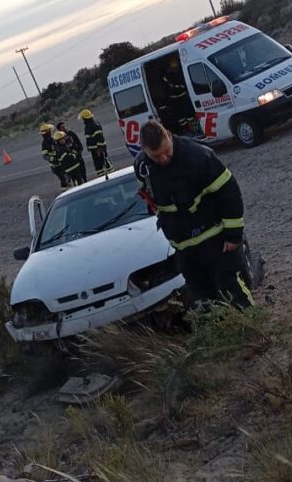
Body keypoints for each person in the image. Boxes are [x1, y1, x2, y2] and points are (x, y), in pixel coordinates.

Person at [134, 119, 253, 310]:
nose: (163, 159)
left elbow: (229, 192)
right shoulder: (142, 167)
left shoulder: (199, 156)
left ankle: (253, 332)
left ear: (169, 136)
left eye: (166, 152)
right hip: (184, 249)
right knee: (203, 300)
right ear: (144, 150)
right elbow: (150, 198)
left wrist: (233, 236)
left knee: (233, 291)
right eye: (156, 156)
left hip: (216, 240)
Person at [162, 58, 196, 136]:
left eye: (176, 68)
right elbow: (171, 87)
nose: (175, 70)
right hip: (175, 100)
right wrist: (181, 87)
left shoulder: (180, 73)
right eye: (174, 68)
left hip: (183, 97)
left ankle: (193, 130)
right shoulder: (167, 77)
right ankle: (186, 131)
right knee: (181, 118)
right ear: (171, 68)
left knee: (190, 115)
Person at [79, 109, 115, 177]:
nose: (82, 120)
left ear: (85, 118)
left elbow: (99, 137)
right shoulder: (89, 125)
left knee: (105, 162)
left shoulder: (93, 125)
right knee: (98, 164)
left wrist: (99, 148)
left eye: (83, 118)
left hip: (98, 149)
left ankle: (112, 174)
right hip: (94, 149)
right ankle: (101, 176)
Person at [40, 123, 67, 190]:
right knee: (63, 178)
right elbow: (45, 156)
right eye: (49, 131)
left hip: (61, 162)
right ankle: (65, 191)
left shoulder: (53, 139)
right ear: (47, 132)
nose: (50, 132)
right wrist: (54, 159)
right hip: (55, 166)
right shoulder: (45, 143)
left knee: (66, 177)